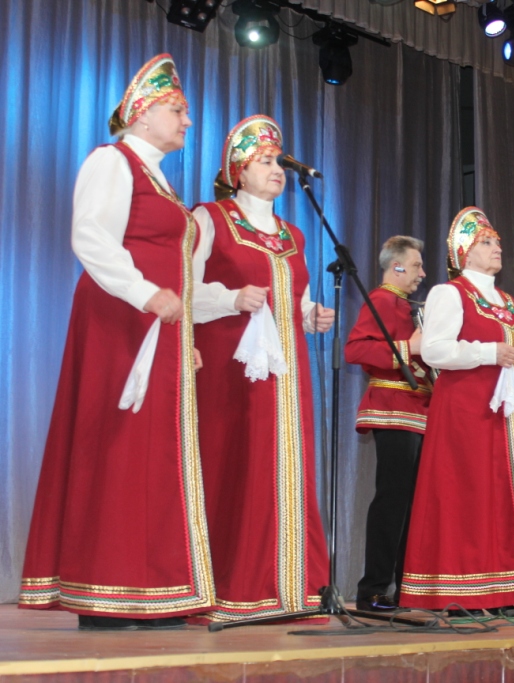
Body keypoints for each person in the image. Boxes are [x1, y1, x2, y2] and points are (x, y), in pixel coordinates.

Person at [18, 55, 214, 630]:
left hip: (155, 328)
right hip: (119, 322)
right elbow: (91, 238)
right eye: (177, 110)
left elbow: (176, 270)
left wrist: (183, 334)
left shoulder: (160, 180)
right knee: (117, 446)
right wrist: (146, 294)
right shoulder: (112, 160)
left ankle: (147, 585)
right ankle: (104, 588)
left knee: (153, 453)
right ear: (143, 114)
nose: (187, 121)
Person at [190, 115, 333, 623]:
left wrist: (311, 316)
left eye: (279, 162)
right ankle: (235, 587)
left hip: (288, 376)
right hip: (230, 371)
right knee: (236, 464)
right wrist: (230, 298)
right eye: (265, 161)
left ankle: (291, 587)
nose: (277, 170)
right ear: (239, 170)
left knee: (287, 467)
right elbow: (181, 288)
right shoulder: (210, 218)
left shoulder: (294, 234)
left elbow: (296, 299)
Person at [400, 207, 514, 616]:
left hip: (507, 416)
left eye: (497, 241)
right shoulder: (450, 293)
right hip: (466, 410)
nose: (497, 247)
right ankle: (460, 592)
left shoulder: (511, 303)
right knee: (465, 495)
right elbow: (434, 350)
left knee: (502, 496)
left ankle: (501, 590)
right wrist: (486, 352)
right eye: (486, 242)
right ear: (465, 252)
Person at [344, 236, 432, 612]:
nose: (422, 273)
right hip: (393, 408)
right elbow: (355, 349)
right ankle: (373, 589)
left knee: (412, 504)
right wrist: (409, 349)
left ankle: (405, 585)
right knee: (393, 500)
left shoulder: (409, 306)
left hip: (420, 410)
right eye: (415, 266)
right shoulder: (381, 300)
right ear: (395, 267)